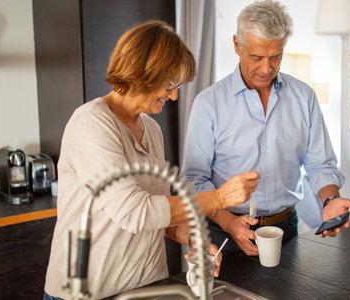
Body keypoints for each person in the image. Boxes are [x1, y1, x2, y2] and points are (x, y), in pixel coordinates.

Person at [43, 20, 260, 300]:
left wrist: (194, 238)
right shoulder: (91, 123)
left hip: (146, 288)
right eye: (169, 84)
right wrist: (218, 198)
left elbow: (160, 214)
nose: (174, 95)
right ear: (141, 72)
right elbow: (136, 212)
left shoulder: (151, 129)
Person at [181, 0, 350, 258]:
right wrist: (229, 223)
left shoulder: (304, 97)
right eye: (256, 57)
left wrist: (331, 200)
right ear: (237, 45)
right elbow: (193, 181)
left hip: (286, 230)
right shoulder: (208, 104)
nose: (266, 68)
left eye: (275, 57)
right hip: (224, 233)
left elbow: (321, 164)